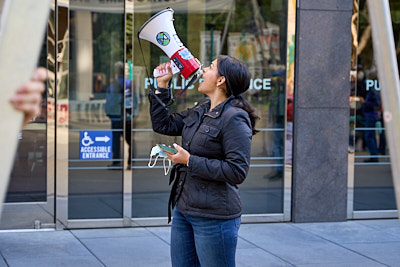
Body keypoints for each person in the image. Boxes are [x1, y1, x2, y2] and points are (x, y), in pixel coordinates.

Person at [149, 55, 259, 267]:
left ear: (221, 80)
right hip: (184, 209)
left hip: (214, 217)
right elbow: (164, 125)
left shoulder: (234, 117)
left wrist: (189, 160)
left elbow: (237, 171)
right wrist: (162, 85)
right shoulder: (202, 107)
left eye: (210, 67)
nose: (202, 71)